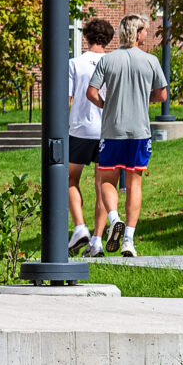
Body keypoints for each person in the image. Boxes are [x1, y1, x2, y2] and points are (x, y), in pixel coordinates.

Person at [86, 13, 169, 256]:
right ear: (137, 32)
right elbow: (162, 95)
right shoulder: (151, 60)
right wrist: (144, 99)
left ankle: (114, 220)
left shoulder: (107, 60)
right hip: (140, 131)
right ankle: (129, 241)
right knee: (134, 184)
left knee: (106, 180)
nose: (147, 33)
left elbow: (91, 93)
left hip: (112, 129)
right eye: (144, 30)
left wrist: (106, 104)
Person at [66, 17, 115, 256]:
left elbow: (67, 99)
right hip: (107, 130)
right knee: (102, 185)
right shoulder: (114, 63)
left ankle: (79, 227)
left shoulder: (75, 63)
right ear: (108, 39)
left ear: (85, 36)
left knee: (69, 180)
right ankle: (96, 240)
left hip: (80, 130)